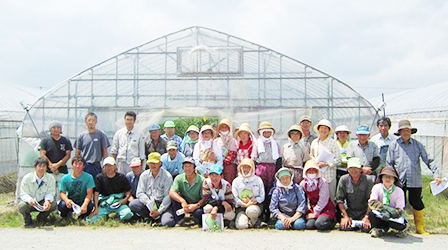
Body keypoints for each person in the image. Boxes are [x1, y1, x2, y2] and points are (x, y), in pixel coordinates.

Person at [387, 120, 441, 235]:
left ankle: (420, 228)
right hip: (399, 180)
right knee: (399, 204)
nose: (406, 132)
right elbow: (389, 164)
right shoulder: (394, 145)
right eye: (404, 130)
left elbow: (429, 160)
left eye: (408, 130)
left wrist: (436, 174)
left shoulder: (418, 145)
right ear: (400, 132)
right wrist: (390, 179)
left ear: (411, 131)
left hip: (415, 180)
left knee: (416, 202)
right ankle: (400, 227)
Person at [129, 152, 175, 226]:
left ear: (160, 163)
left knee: (167, 222)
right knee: (133, 204)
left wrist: (159, 211)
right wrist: (149, 203)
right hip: (148, 203)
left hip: (162, 204)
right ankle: (149, 217)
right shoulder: (144, 175)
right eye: (151, 163)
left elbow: (168, 196)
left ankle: (158, 217)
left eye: (155, 163)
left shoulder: (167, 176)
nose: (153, 165)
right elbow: (140, 193)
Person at [251, 121, 280, 222]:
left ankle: (268, 214)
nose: (267, 134)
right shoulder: (257, 144)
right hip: (261, 170)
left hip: (272, 170)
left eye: (269, 132)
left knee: (270, 191)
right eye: (265, 132)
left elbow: (278, 159)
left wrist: (277, 173)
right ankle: (260, 213)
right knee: (260, 190)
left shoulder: (275, 144)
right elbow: (253, 159)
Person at [89, 157, 133, 222]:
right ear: (103, 167)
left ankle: (118, 218)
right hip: (105, 202)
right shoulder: (99, 178)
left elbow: (128, 191)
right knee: (92, 220)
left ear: (115, 166)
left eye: (110, 165)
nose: (108, 168)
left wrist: (125, 199)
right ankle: (104, 216)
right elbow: (96, 193)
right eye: (106, 166)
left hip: (118, 202)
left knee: (127, 214)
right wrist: (96, 208)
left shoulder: (121, 177)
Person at [335, 157, 373, 232]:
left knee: (366, 228)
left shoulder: (368, 180)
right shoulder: (343, 179)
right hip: (350, 212)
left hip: (364, 212)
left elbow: (371, 200)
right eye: (351, 168)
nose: (353, 170)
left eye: (356, 168)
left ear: (360, 169)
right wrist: (345, 216)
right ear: (347, 169)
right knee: (345, 227)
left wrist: (367, 216)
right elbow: (339, 199)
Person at [368, 166, 407, 238]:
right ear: (381, 178)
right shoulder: (376, 187)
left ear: (394, 179)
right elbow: (372, 202)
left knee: (400, 224)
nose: (388, 179)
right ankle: (377, 229)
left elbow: (400, 209)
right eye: (385, 176)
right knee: (372, 215)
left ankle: (402, 230)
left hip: (393, 216)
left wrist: (390, 212)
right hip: (380, 213)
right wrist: (384, 208)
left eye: (390, 177)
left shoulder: (399, 191)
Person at [18, 157, 57, 227]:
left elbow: (51, 192)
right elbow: (23, 193)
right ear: (35, 167)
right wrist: (29, 200)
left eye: (43, 166)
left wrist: (47, 201)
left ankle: (41, 219)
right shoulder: (27, 178)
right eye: (39, 166)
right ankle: (28, 222)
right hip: (30, 202)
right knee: (22, 206)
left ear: (46, 168)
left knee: (53, 204)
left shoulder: (51, 178)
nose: (41, 169)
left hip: (42, 202)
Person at [309, 119, 341, 201]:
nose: (323, 130)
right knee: (318, 198)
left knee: (330, 198)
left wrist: (326, 163)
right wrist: (314, 162)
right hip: (317, 175)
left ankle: (331, 213)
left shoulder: (333, 143)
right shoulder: (314, 142)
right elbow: (311, 155)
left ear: (329, 130)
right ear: (318, 129)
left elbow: (338, 160)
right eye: (322, 128)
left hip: (329, 176)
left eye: (326, 128)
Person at [300, 160, 336, 230]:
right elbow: (303, 199)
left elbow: (324, 199)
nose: (311, 172)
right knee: (309, 226)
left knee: (319, 224)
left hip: (325, 207)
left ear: (317, 171)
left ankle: (332, 221)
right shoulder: (303, 183)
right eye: (309, 171)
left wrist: (316, 212)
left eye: (313, 170)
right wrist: (307, 212)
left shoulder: (323, 182)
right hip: (313, 208)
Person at [169, 157, 205, 226]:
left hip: (197, 204)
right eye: (185, 166)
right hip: (185, 202)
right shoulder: (179, 178)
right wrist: (182, 201)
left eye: (190, 166)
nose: (188, 169)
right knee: (174, 199)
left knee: (199, 212)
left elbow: (204, 198)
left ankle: (196, 220)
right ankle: (179, 220)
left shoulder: (201, 180)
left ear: (194, 168)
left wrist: (196, 205)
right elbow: (171, 192)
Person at [232, 158, 265, 229]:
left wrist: (252, 201)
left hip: (254, 206)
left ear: (252, 169)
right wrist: (242, 203)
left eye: (248, 167)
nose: (246, 170)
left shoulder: (258, 180)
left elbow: (262, 196)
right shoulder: (236, 181)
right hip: (241, 207)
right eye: (244, 167)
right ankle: (249, 222)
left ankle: (253, 221)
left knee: (251, 211)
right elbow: (234, 197)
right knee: (241, 226)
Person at [74, 112, 110, 178]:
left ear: (96, 122)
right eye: (89, 120)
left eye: (93, 120)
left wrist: (105, 165)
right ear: (86, 122)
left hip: (96, 166)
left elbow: (105, 152)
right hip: (85, 166)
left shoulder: (101, 135)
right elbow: (77, 153)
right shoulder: (81, 136)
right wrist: (77, 166)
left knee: (97, 186)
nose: (91, 122)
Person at [215, 119, 238, 183]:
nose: (224, 129)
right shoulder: (216, 140)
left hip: (228, 165)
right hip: (218, 165)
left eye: (226, 127)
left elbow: (232, 155)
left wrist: (222, 162)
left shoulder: (232, 140)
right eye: (222, 127)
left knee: (228, 182)